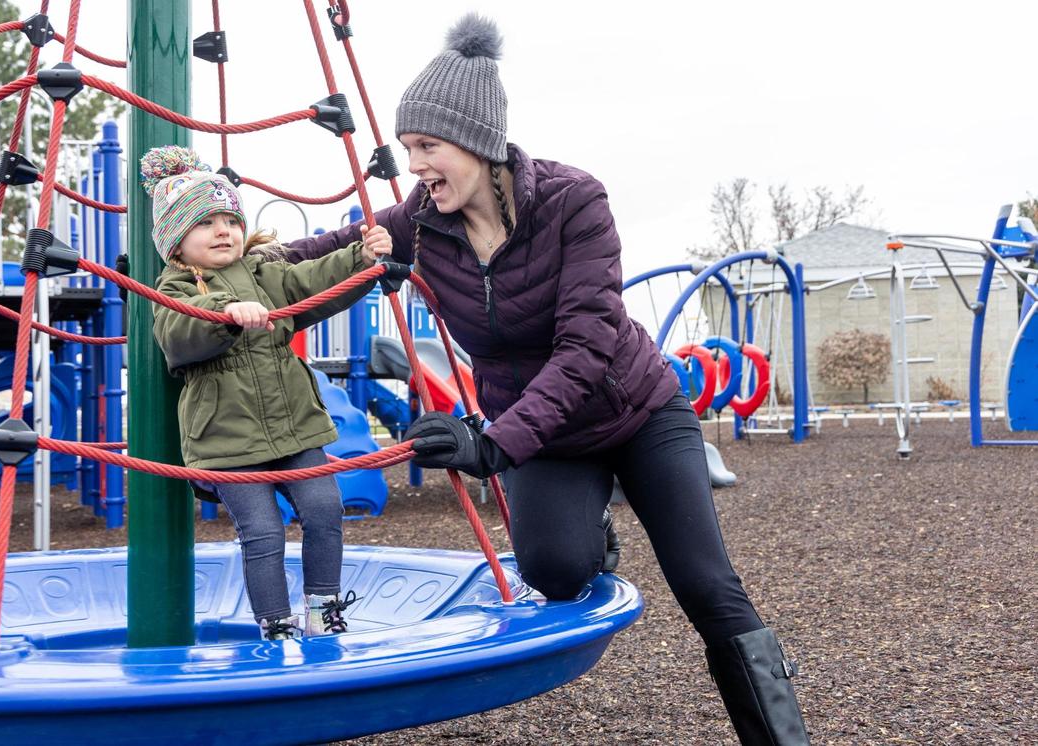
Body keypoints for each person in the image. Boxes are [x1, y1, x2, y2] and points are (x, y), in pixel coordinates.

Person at [284, 14, 809, 744]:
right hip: (549, 439)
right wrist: (220, 269)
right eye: (408, 149)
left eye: (427, 146)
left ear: (475, 142)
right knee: (557, 572)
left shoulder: (573, 202)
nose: (416, 165)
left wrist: (494, 445)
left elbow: (587, 343)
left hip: (635, 414)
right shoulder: (420, 222)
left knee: (706, 586)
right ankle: (588, 524)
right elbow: (334, 247)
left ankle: (782, 738)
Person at [141, 146, 398, 641]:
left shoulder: (265, 274)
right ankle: (276, 623)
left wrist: (359, 257)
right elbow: (177, 334)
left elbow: (312, 279)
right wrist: (224, 312)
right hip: (227, 439)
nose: (223, 231)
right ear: (175, 242)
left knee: (324, 508)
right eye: (205, 224)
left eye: (230, 221)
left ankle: (323, 607)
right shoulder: (172, 289)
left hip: (294, 423)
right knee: (261, 531)